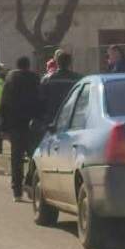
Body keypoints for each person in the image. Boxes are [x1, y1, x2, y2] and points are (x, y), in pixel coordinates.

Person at [25, 51, 82, 192]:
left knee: (41, 153)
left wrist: (37, 119)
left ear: (56, 62)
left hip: (50, 122)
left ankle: (31, 181)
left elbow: (39, 101)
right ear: (70, 63)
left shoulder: (48, 79)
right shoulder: (78, 80)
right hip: (72, 121)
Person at [0, 56, 40, 202]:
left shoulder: (10, 80)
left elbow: (3, 104)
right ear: (28, 66)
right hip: (32, 124)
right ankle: (30, 184)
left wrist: (3, 127)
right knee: (34, 157)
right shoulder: (35, 79)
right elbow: (40, 100)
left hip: (15, 125)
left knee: (16, 158)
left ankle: (17, 191)